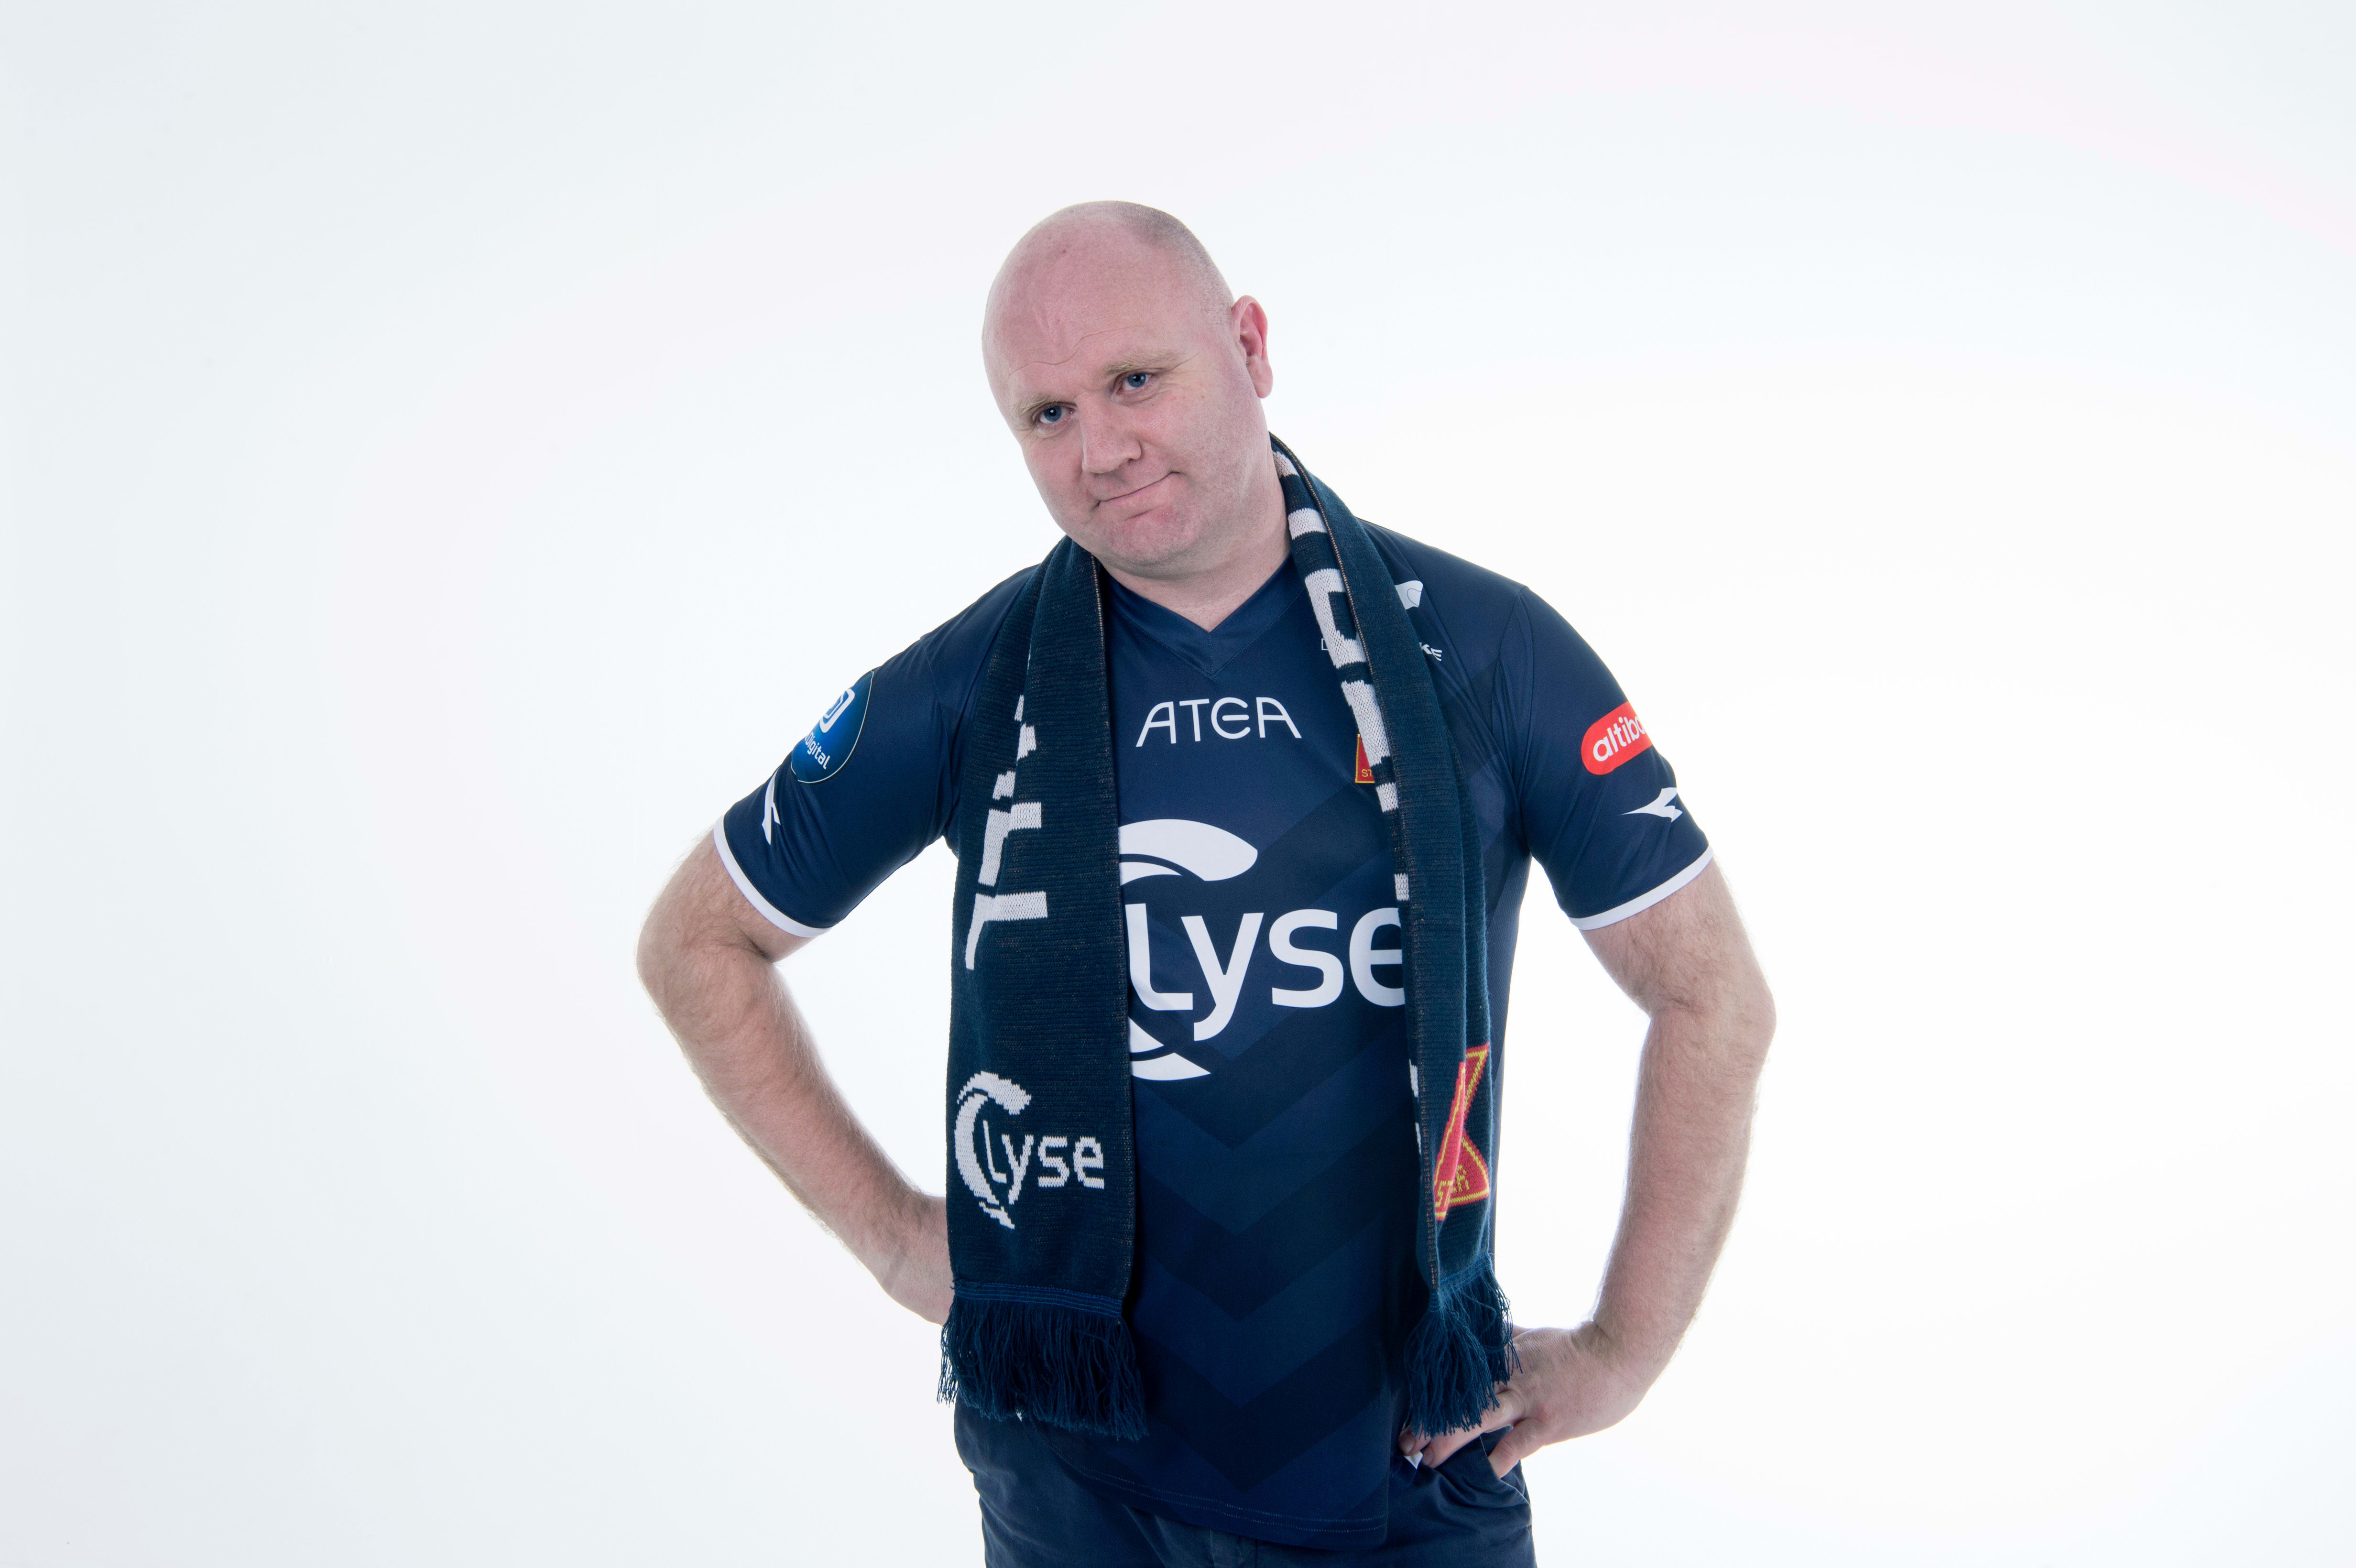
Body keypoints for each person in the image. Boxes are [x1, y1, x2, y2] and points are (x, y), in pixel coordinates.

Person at [636, 201, 1775, 1566]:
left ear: (1249, 345)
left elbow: (1712, 995)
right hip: (1073, 1479)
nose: (1101, 449)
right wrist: (891, 1240)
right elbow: (698, 941)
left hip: (1403, 1464)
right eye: (1048, 414)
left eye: (1135, 380)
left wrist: (1623, 1353)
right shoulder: (974, 684)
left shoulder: (1486, 651)